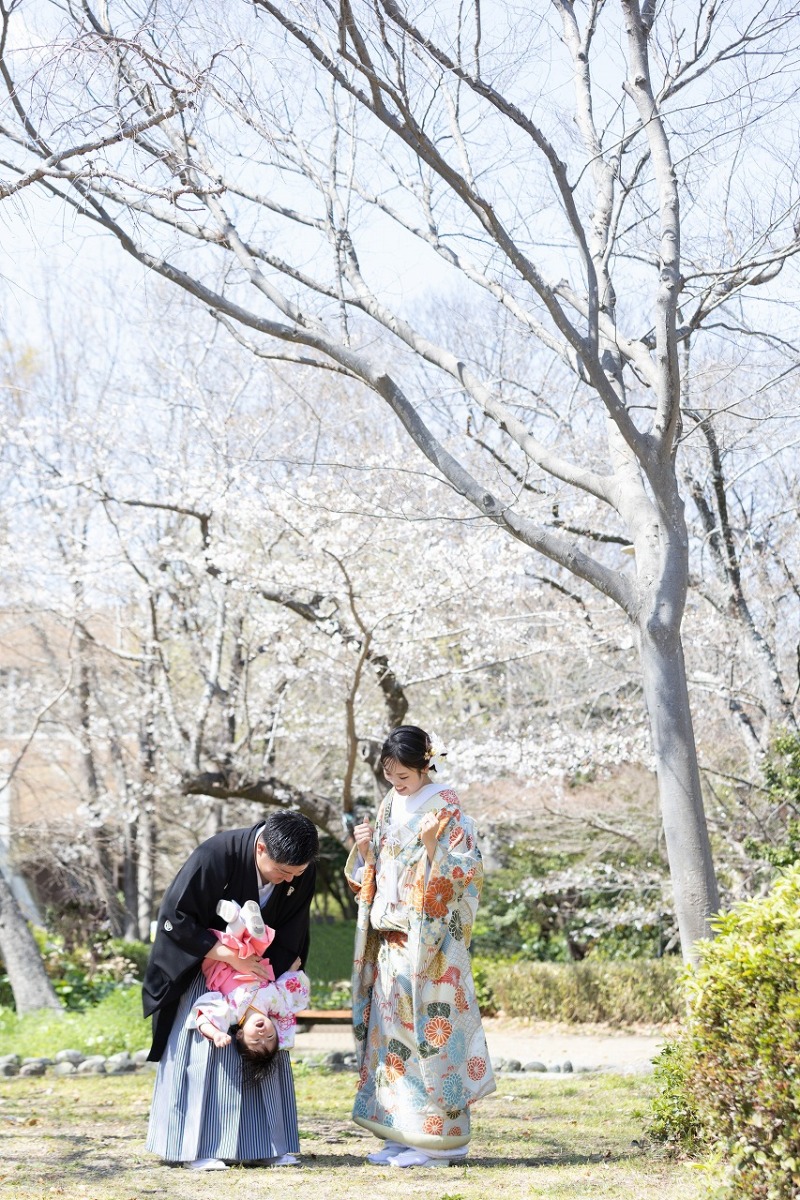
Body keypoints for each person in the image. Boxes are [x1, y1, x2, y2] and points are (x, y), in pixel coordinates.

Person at [345, 725, 495, 1168]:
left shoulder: (447, 806)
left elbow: (463, 875)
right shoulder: (391, 803)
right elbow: (380, 871)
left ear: (426, 765)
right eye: (391, 776)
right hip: (390, 941)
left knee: (427, 1040)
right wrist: (367, 852)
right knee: (390, 1043)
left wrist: (432, 847)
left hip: (428, 948)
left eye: (404, 776)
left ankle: (438, 1142)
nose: (397, 784)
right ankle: (402, 1132)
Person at [142, 811, 318, 1170]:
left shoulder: (301, 870)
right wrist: (227, 955)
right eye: (282, 872)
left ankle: (267, 1145)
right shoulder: (215, 855)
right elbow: (175, 918)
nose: (288, 880)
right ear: (262, 848)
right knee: (206, 1052)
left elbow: (294, 929)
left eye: (295, 875)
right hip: (205, 967)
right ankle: (192, 1148)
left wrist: (270, 981)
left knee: (265, 1046)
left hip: (259, 974)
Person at [189, 896, 311, 1065]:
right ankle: (247, 918)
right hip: (253, 963)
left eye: (255, 1041)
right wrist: (292, 971)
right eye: (270, 1036)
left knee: (233, 946)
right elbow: (285, 988)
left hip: (223, 969)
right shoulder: (275, 1004)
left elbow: (203, 1018)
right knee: (259, 943)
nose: (263, 1036)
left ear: (239, 1035)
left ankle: (234, 919)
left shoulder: (231, 1013)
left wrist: (215, 1034)